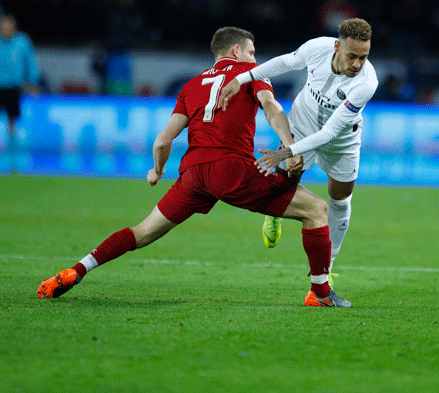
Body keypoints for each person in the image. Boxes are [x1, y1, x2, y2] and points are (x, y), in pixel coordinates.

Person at [37, 26, 352, 307]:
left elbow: (162, 141)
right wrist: (288, 143)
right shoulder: (250, 74)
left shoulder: (191, 86)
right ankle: (319, 292)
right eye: (252, 52)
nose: (255, 60)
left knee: (141, 232)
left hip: (193, 175)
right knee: (316, 211)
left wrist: (158, 171)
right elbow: (271, 106)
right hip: (232, 170)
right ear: (236, 51)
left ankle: (76, 270)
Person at [217, 18, 378, 282]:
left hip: (341, 142)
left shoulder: (366, 83)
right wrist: (243, 78)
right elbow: (285, 63)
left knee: (340, 199)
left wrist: (286, 151)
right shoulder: (317, 48)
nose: (357, 64)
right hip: (302, 123)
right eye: (352, 56)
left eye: (364, 57)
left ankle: (327, 265)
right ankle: (274, 215)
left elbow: (328, 134)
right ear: (337, 46)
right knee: (284, 182)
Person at [0, 14, 40, 172]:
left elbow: (31, 61)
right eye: (3, 26)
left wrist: (33, 81)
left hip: (12, 87)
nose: (6, 29)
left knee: (12, 123)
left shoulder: (22, 42)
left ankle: (14, 162)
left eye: (8, 26)